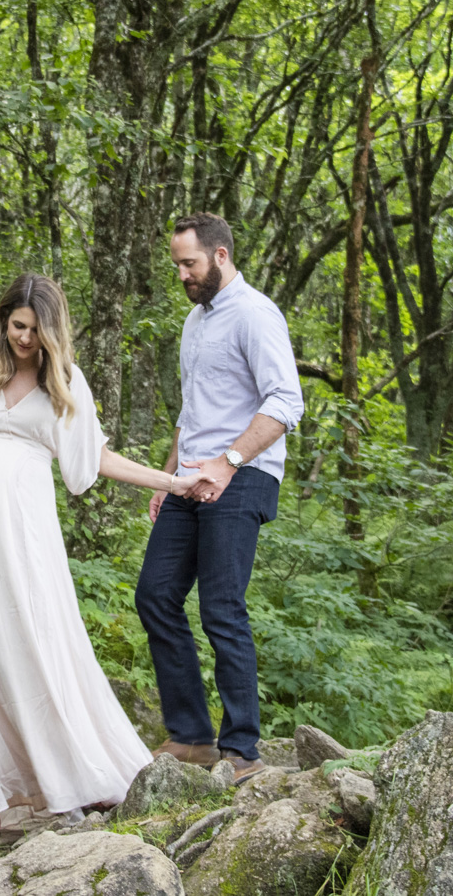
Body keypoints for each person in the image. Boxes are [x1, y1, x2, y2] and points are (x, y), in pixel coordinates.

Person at [0, 272, 204, 843]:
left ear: (53, 332)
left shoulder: (66, 383)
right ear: (4, 319)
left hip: (25, 534)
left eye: (36, 330)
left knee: (35, 643)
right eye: (18, 325)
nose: (25, 339)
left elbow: (97, 459)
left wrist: (173, 482)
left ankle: (76, 773)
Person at [135, 211, 303, 783]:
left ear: (221, 256)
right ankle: (191, 737)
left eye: (190, 263)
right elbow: (191, 412)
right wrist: (166, 479)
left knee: (221, 607)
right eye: (177, 264)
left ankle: (242, 752)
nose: (182, 274)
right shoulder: (194, 321)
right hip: (189, 478)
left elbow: (285, 402)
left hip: (244, 474)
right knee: (155, 594)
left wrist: (229, 463)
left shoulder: (255, 315)